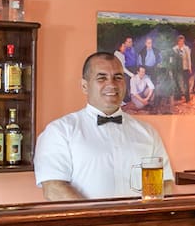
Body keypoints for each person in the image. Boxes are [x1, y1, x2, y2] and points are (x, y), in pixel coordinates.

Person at [33, 52, 175, 200]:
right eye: (102, 78)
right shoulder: (59, 132)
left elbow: (166, 183)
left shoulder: (148, 133)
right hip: (87, 223)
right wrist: (99, 220)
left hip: (139, 223)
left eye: (118, 78)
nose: (112, 84)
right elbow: (54, 189)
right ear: (84, 86)